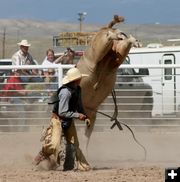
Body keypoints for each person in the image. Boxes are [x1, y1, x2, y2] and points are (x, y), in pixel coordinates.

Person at [35, 67, 91, 171]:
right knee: (54, 144)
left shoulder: (77, 89)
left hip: (68, 120)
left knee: (74, 144)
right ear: (75, 80)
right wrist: (78, 115)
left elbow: (79, 106)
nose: (81, 79)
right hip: (58, 119)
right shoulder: (65, 92)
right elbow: (62, 112)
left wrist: (85, 116)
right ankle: (43, 153)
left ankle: (68, 167)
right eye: (79, 78)